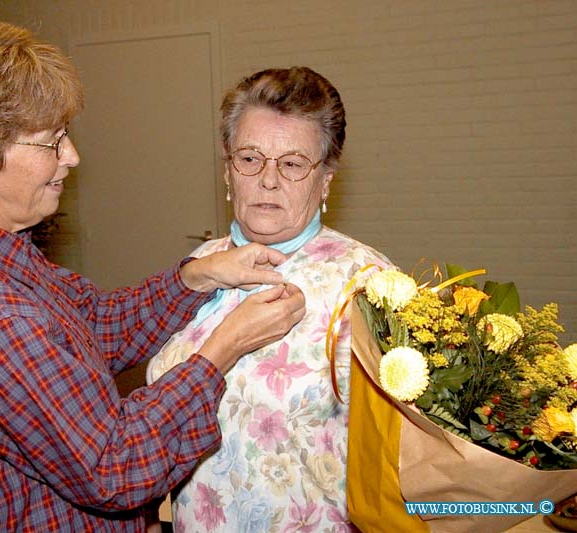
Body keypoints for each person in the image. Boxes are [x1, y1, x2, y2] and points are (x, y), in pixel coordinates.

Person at [0, 16, 305, 531]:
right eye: (52, 141)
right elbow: (113, 466)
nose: (72, 157)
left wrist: (199, 275)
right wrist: (223, 348)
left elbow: (93, 325)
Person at [147, 66, 395, 531]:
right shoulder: (199, 266)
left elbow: (403, 456)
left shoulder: (368, 284)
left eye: (293, 163)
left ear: (325, 180)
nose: (268, 180)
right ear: (227, 170)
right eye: (250, 158)